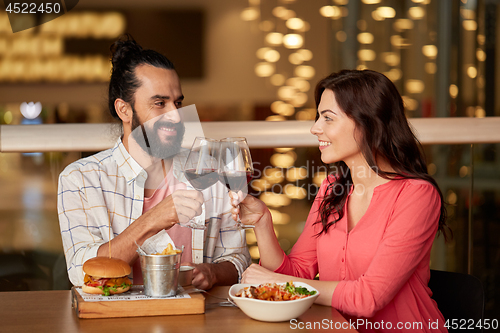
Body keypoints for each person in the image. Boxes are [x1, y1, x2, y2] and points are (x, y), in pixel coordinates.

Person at [232, 70, 449, 332]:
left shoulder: (417, 195)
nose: (315, 128)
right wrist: (262, 222)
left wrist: (279, 284)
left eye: (328, 118)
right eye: (318, 117)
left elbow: (368, 298)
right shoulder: (332, 189)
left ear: (367, 123)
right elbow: (298, 273)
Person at [58, 35, 250, 290]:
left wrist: (213, 273)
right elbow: (81, 272)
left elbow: (239, 259)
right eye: (160, 103)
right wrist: (152, 220)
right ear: (124, 110)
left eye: (178, 102)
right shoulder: (81, 179)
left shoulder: (205, 171)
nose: (176, 115)